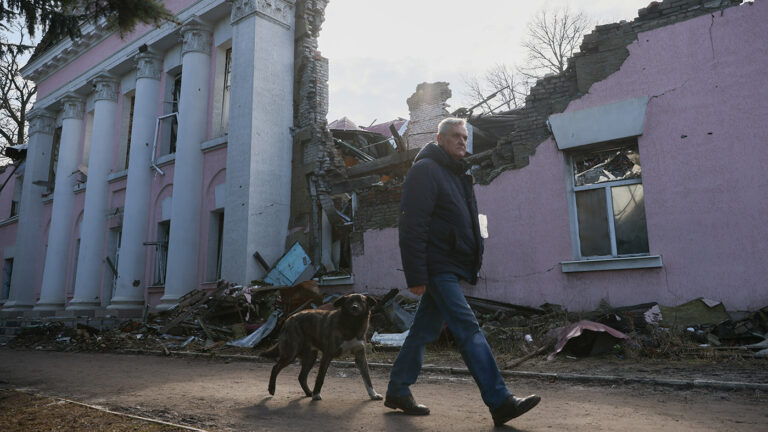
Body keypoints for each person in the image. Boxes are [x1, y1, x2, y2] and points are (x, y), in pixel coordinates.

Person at [383, 117, 541, 426]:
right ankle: (500, 400)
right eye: (455, 136)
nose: (461, 142)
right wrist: (416, 275)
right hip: (437, 264)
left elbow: (466, 222)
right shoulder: (425, 171)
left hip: (450, 265)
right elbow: (412, 224)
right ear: (439, 139)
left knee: (423, 331)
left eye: (465, 137)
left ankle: (398, 390)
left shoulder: (457, 175)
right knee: (467, 328)